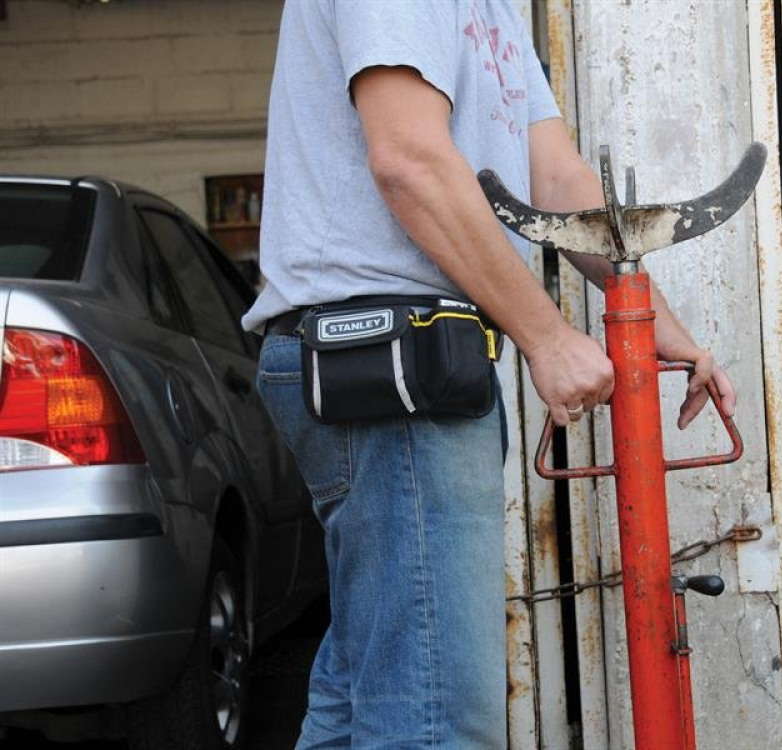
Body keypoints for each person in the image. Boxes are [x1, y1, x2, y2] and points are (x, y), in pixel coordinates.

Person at [242, 1, 736, 747]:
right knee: (431, 721)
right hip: (389, 369)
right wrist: (547, 337)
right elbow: (408, 160)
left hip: (414, 371)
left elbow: (556, 178)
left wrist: (662, 329)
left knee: (366, 701)